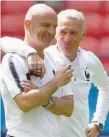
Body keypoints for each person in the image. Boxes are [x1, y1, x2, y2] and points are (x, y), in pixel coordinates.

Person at [1, 9, 109, 137]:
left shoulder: (90, 60)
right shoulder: (46, 56)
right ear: (56, 33)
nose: (68, 38)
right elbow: (4, 42)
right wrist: (29, 53)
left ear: (82, 36)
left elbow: (106, 87)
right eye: (63, 32)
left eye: (73, 33)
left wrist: (98, 122)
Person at [0, 4, 74, 137]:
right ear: (28, 24)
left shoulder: (56, 60)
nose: (51, 32)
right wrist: (56, 82)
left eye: (54, 27)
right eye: (45, 25)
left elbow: (68, 108)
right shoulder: (13, 59)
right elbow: (25, 103)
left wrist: (43, 98)